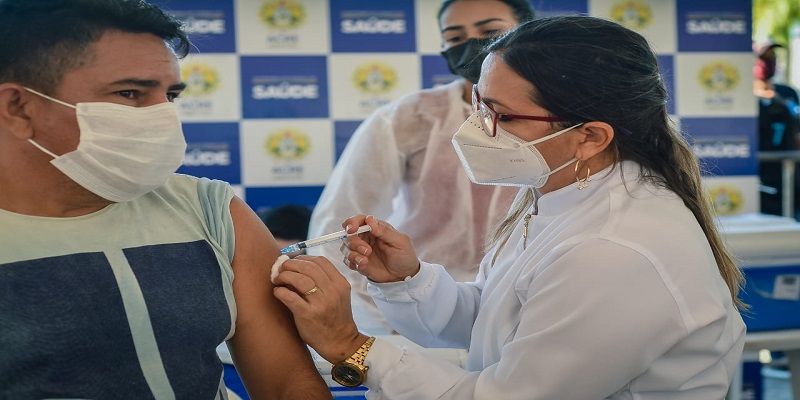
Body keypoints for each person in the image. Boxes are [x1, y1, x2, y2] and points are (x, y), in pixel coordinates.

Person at [273, 15, 747, 399]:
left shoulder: (613, 248)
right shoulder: (562, 191)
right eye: (479, 103)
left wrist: (353, 348)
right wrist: (408, 279)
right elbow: (498, 319)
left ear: (590, 136)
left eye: (500, 115)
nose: (476, 127)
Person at [0, 1, 330, 399]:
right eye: (129, 92)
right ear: (17, 106)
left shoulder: (211, 209)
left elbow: (286, 384)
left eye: (170, 95)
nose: (163, 116)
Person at [308, 0, 533, 335]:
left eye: (490, 32)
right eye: (455, 37)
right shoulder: (408, 118)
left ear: (528, 33)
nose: (474, 45)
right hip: (421, 305)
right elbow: (341, 226)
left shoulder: (568, 120)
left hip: (529, 304)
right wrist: (390, 321)